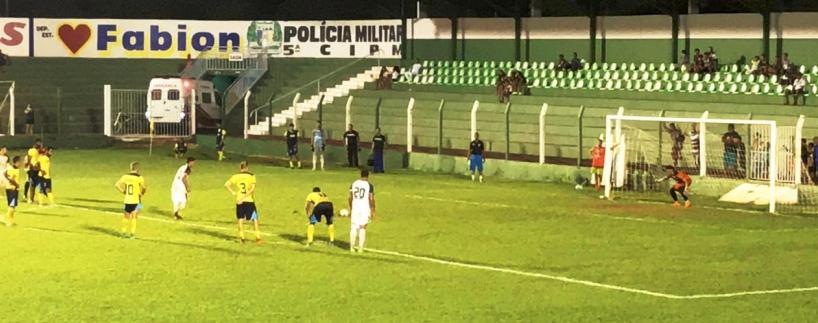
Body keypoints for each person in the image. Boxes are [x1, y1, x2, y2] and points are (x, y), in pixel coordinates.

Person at [224, 161, 262, 245]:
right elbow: (252, 189)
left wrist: (233, 192)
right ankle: (258, 238)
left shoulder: (235, 176)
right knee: (254, 219)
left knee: (240, 219)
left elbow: (226, 184)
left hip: (239, 200)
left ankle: (242, 238)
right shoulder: (251, 176)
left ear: (240, 167)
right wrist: (244, 197)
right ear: (247, 167)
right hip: (249, 200)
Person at [115, 162, 146, 239]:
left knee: (126, 216)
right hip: (137, 200)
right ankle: (132, 234)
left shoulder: (125, 176)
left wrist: (123, 192)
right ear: (138, 169)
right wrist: (142, 193)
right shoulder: (139, 177)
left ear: (131, 168)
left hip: (127, 199)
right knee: (134, 216)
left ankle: (123, 233)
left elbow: (116, 185)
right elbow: (144, 188)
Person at [348, 169, 375, 253]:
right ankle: (360, 248)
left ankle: (351, 248)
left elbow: (350, 197)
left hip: (355, 207)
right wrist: (372, 209)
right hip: (364, 208)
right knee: (362, 227)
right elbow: (371, 198)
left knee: (353, 227)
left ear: (360, 175)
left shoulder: (354, 184)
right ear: (368, 175)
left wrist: (351, 207)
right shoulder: (369, 185)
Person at [4, 156, 22, 227]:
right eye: (20, 162)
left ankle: (11, 221)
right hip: (12, 189)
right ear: (16, 162)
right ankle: (8, 222)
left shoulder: (12, 168)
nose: (21, 163)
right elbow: (11, 180)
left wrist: (8, 179)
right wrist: (17, 185)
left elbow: (4, 174)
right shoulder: (12, 169)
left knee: (12, 206)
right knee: (12, 206)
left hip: (10, 189)